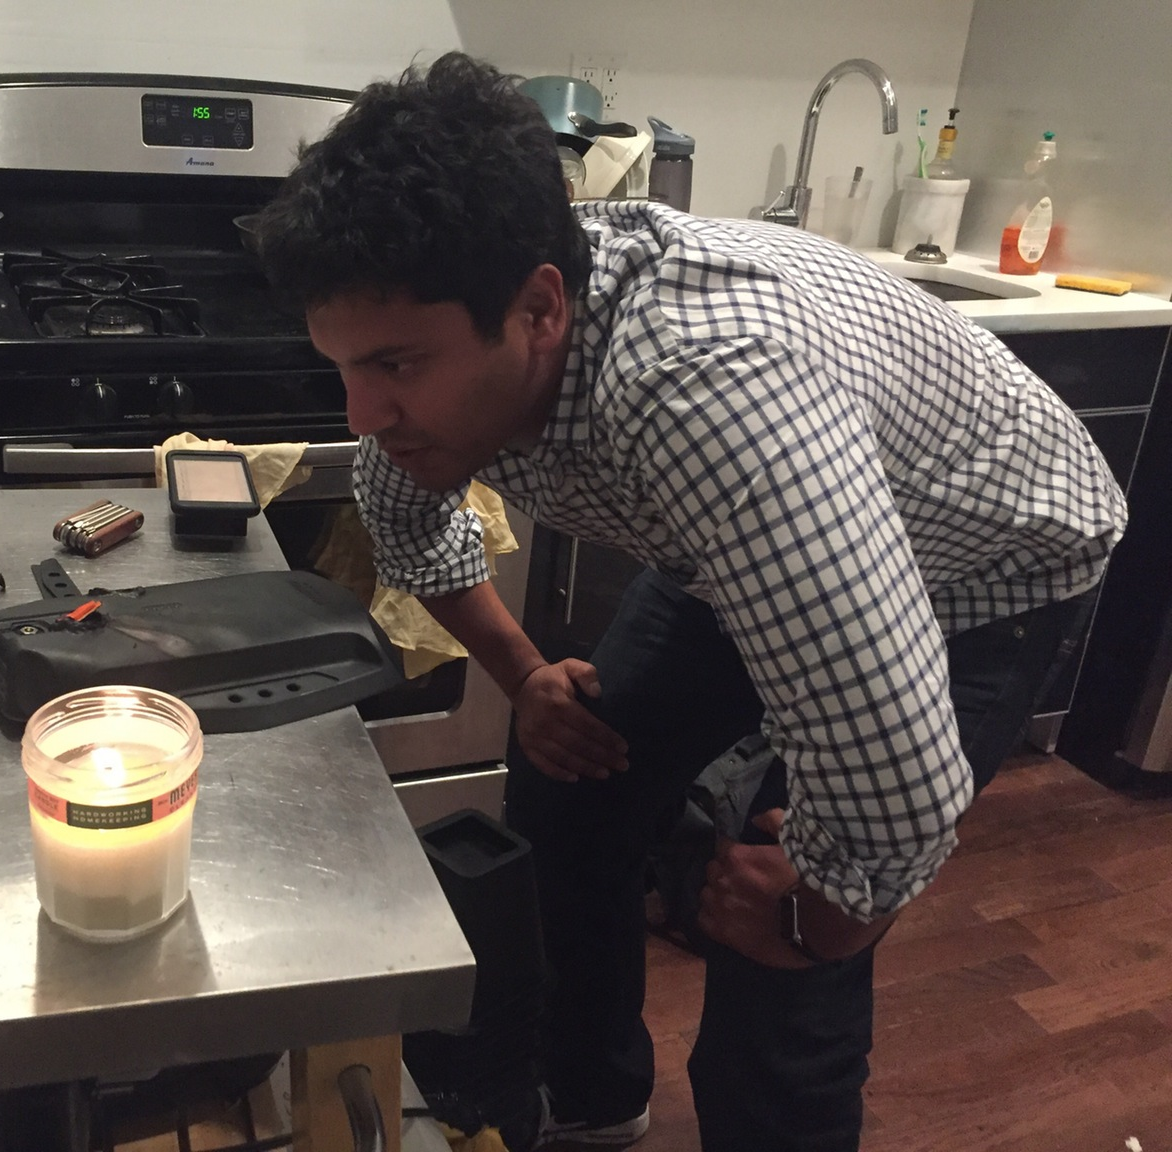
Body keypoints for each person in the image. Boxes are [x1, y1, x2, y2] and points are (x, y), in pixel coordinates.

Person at [255, 52, 1125, 1152]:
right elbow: (408, 522)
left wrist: (823, 917)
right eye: (343, 367)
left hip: (985, 560)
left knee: (779, 943)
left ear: (540, 310)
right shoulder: (457, 351)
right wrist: (528, 676)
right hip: (752, 540)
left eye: (395, 367)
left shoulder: (701, 396)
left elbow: (899, 785)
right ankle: (596, 1101)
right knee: (571, 777)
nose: (361, 414)